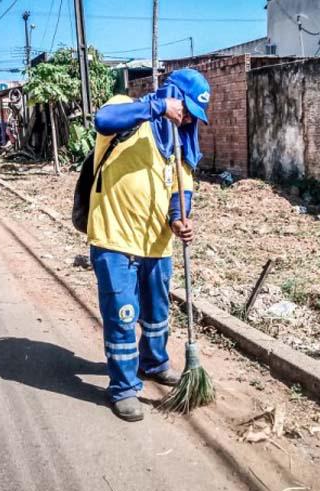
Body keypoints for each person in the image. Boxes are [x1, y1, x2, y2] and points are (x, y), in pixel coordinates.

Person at [89, 68, 210, 421]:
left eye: (192, 115)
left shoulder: (179, 141)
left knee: (157, 315)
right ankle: (124, 388)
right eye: (185, 108)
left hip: (157, 246)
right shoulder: (130, 110)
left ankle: (154, 364)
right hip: (115, 239)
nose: (186, 118)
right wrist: (157, 107)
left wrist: (179, 219)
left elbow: (181, 188)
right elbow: (102, 119)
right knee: (124, 316)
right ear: (172, 95)